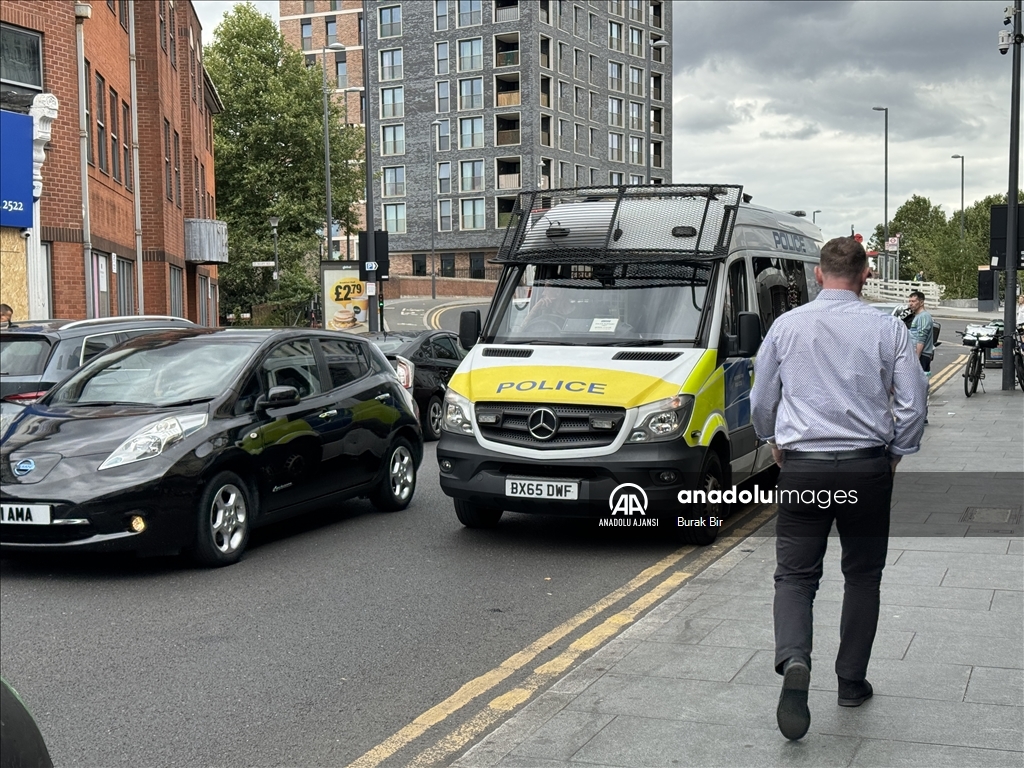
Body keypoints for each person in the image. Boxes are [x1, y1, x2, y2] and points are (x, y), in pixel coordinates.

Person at [751, 236, 928, 741]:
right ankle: (850, 682)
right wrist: (896, 452)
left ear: (818, 275)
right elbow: (912, 404)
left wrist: (773, 441)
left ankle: (795, 659)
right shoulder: (888, 328)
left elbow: (762, 395)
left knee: (795, 576)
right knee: (863, 576)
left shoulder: (787, 326)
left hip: (803, 468)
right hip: (865, 467)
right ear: (866, 275)